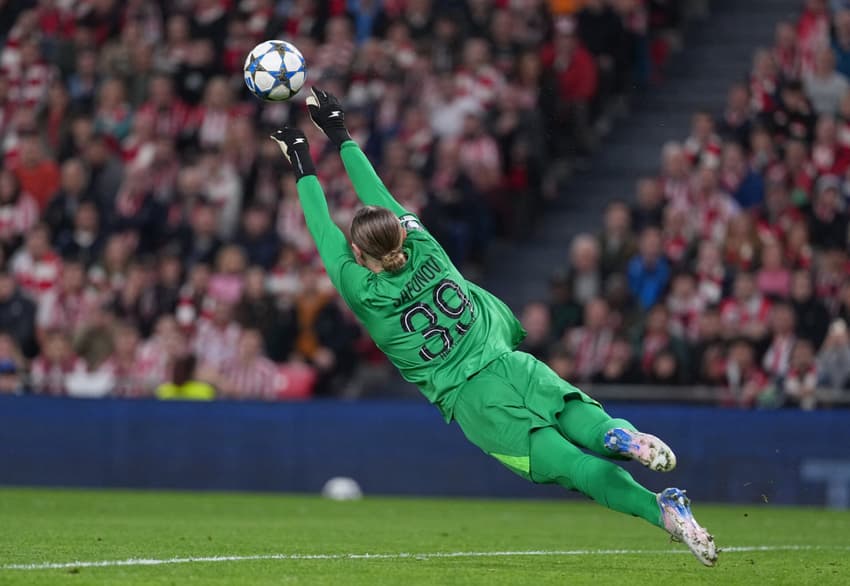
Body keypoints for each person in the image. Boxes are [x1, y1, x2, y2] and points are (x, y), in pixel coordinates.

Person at [268, 88, 718, 567]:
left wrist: (299, 157)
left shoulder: (362, 290)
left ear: (360, 257)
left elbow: (321, 227)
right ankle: (623, 437)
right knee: (589, 426)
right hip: (511, 362)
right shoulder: (425, 246)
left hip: (473, 398)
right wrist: (337, 131)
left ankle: (663, 511)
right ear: (401, 232)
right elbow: (376, 191)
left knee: (574, 469)